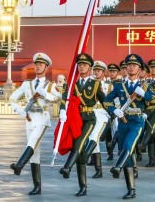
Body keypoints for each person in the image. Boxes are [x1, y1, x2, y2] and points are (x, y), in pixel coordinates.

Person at [104, 54, 155, 199]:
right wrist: (114, 110)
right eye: (129, 65)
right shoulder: (119, 85)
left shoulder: (145, 86)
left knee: (129, 145)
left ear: (140, 69)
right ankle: (131, 189)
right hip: (123, 120)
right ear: (125, 68)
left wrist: (144, 94)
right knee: (125, 153)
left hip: (137, 121)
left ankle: (117, 167)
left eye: (134, 65)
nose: (131, 67)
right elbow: (107, 101)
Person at [9, 52, 62, 195]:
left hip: (42, 117)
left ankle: (19, 165)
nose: (38, 66)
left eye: (41, 64)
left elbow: (59, 99)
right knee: (34, 153)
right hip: (30, 118)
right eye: (36, 64)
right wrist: (20, 110)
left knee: (32, 142)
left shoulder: (50, 85)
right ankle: (37, 186)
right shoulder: (27, 84)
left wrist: (45, 94)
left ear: (46, 67)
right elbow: (12, 98)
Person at [58, 53, 106, 197]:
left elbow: (104, 100)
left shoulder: (95, 84)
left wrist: (114, 111)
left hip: (90, 119)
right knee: (81, 154)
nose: (82, 67)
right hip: (76, 119)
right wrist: (62, 111)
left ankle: (67, 167)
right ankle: (83, 187)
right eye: (80, 64)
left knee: (78, 143)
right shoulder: (73, 83)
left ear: (90, 67)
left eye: (85, 65)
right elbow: (64, 99)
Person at [87, 60, 111, 179]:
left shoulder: (109, 85)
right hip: (90, 113)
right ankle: (98, 170)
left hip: (102, 114)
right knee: (93, 142)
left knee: (93, 137)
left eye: (99, 70)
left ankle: (84, 156)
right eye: (95, 70)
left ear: (103, 72)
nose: (96, 72)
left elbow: (112, 101)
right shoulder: (89, 84)